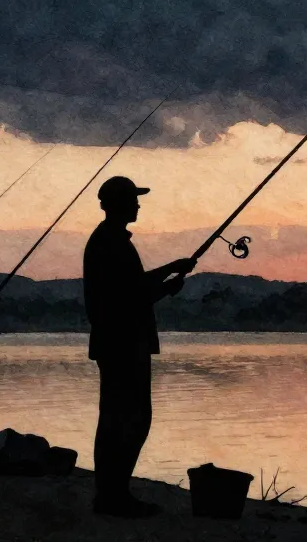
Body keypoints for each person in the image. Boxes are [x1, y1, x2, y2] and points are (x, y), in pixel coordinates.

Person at [83, 176, 196, 517]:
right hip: (123, 342)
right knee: (130, 418)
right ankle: (113, 496)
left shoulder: (110, 239)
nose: (138, 205)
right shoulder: (110, 242)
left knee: (117, 417)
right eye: (133, 199)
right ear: (118, 204)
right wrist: (167, 284)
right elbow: (130, 296)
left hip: (118, 341)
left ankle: (111, 493)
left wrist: (171, 272)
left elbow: (133, 287)